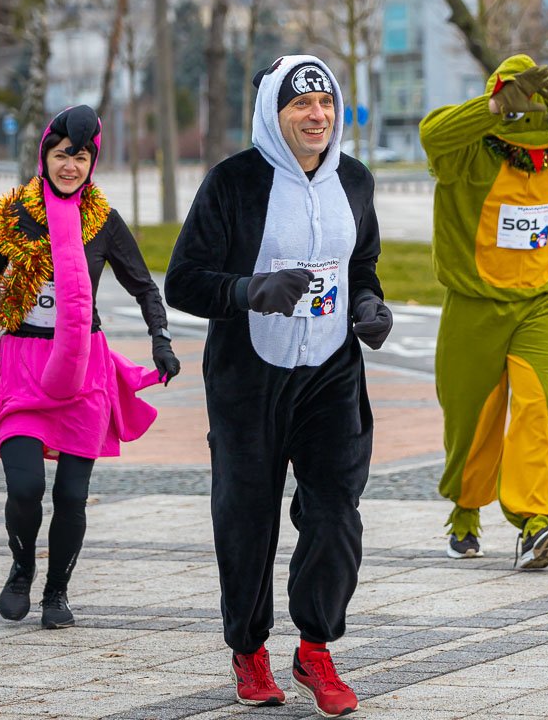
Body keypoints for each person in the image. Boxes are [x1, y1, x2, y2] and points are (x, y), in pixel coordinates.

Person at [165, 55, 392, 716]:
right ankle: (249, 647)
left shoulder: (355, 179)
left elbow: (364, 264)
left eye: (325, 103)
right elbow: (183, 280)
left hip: (330, 372)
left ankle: (316, 647)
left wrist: (369, 307)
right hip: (248, 376)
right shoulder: (233, 183)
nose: (317, 115)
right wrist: (248, 290)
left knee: (335, 511)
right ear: (274, 111)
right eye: (301, 105)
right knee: (247, 515)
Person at [0, 105, 180, 630]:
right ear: (44, 157)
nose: (70, 166)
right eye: (61, 155)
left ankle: (57, 593)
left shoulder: (101, 220)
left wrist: (160, 340)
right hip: (23, 364)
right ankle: (21, 568)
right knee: (26, 486)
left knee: (72, 494)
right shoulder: (16, 214)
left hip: (83, 367)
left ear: (91, 162)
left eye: (80, 156)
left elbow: (144, 285)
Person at [419, 54, 548, 568]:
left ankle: (537, 520)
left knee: (539, 407)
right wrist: (493, 105)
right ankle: (466, 510)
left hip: (540, 303)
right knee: (470, 416)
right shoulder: (466, 151)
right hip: (473, 303)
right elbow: (433, 135)